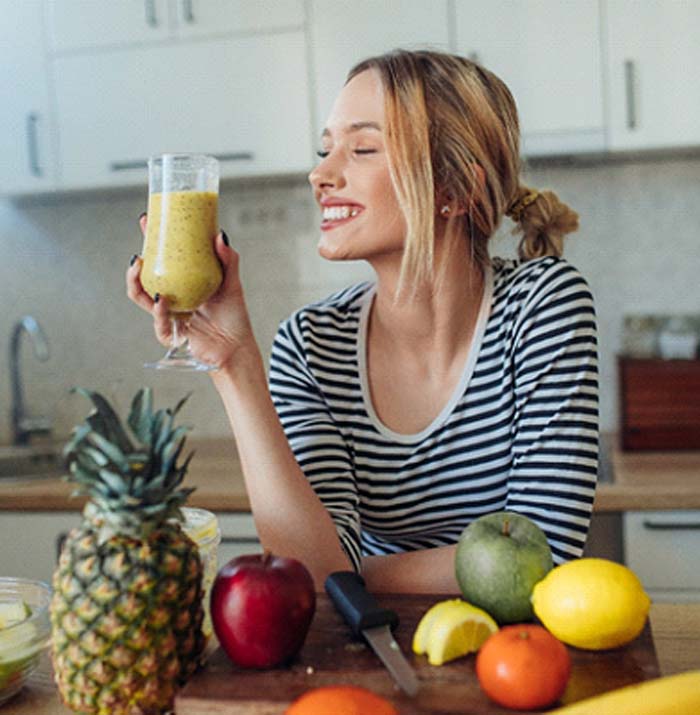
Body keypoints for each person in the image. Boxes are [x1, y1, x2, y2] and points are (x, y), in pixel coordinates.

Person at [127, 49, 598, 594]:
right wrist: (234, 363)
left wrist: (349, 576)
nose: (320, 173)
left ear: (454, 189)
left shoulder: (542, 305)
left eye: (363, 148)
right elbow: (309, 575)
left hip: (512, 661)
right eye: (326, 149)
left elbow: (545, 556)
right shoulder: (311, 344)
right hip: (368, 648)